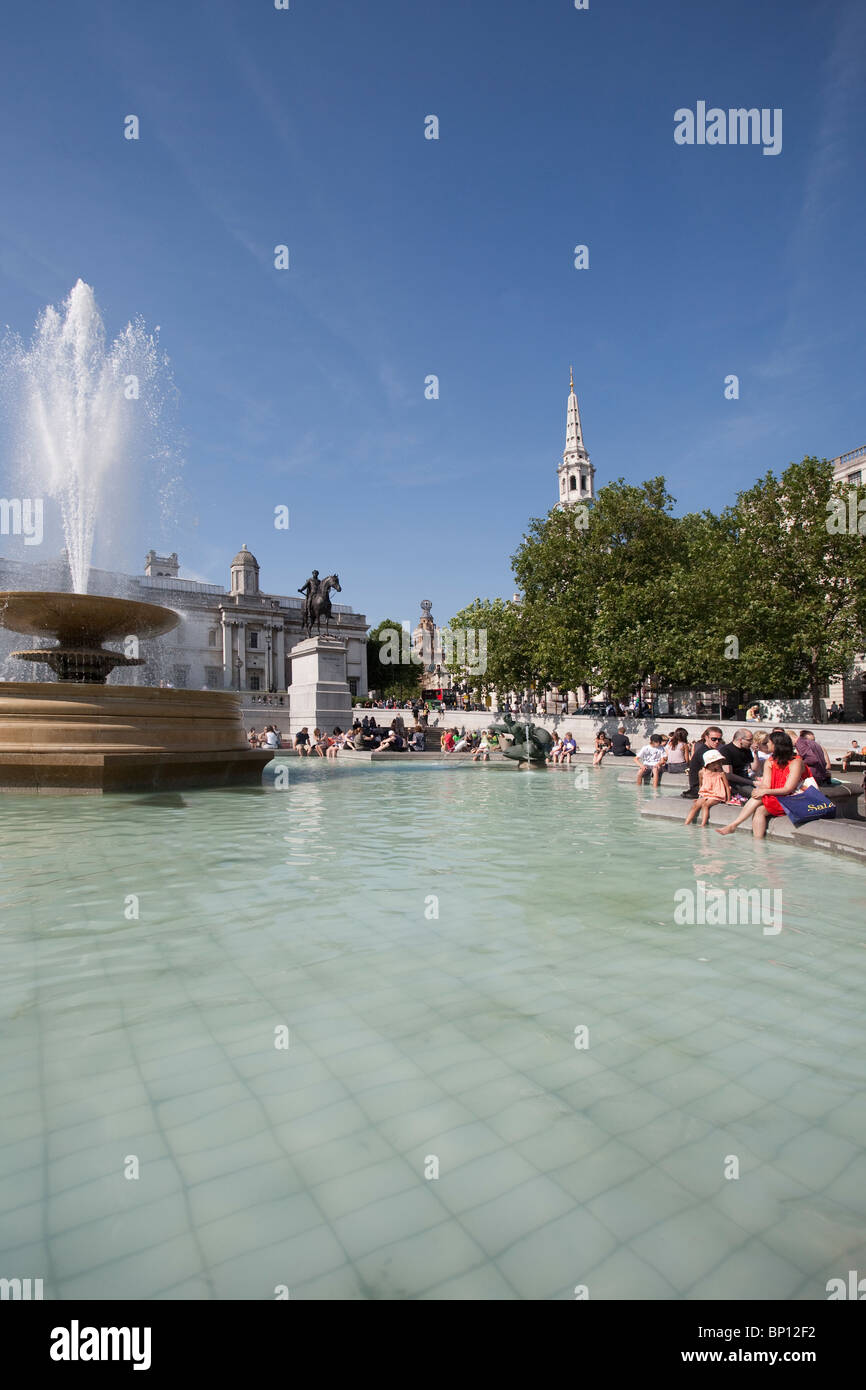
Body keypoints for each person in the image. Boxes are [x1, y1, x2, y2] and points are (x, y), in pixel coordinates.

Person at [716, 731, 805, 838]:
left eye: (768, 742)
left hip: (793, 798)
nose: (766, 745)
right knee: (759, 810)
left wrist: (764, 791)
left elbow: (788, 788)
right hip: (778, 796)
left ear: (777, 745)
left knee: (758, 800)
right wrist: (760, 790)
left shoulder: (796, 762)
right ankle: (758, 845)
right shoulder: (770, 761)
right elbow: (766, 785)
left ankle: (734, 824)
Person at [684, 749, 731, 826]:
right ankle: (686, 823)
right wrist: (700, 796)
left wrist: (728, 800)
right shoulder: (702, 772)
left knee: (705, 805)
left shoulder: (721, 774)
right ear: (710, 763)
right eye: (717, 762)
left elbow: (727, 787)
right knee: (695, 805)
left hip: (717, 795)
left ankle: (703, 824)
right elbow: (701, 785)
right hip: (706, 794)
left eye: (720, 762)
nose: (720, 764)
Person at [683, 727, 724, 799]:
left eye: (719, 739)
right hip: (700, 787)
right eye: (713, 739)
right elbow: (712, 773)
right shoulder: (705, 753)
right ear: (706, 737)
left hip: (701, 786)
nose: (717, 742)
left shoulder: (707, 750)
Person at [719, 729, 755, 794]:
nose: (751, 742)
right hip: (734, 783)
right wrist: (750, 782)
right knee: (756, 794)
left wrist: (756, 753)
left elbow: (754, 768)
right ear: (740, 740)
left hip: (746, 779)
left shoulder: (746, 749)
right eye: (749, 740)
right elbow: (728, 775)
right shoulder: (726, 751)